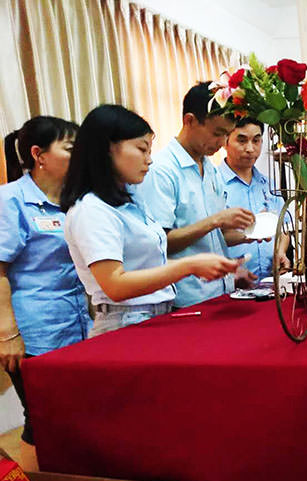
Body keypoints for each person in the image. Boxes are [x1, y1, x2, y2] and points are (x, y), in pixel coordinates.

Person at [61, 104, 240, 336]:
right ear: (107, 149)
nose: (149, 160)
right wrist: (189, 266)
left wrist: (202, 264)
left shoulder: (131, 200)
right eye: (141, 149)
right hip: (125, 321)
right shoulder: (91, 209)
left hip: (155, 314)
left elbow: (149, 263)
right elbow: (115, 285)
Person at [0, 116, 92, 471]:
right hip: (33, 332)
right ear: (39, 155)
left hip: (75, 325)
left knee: (71, 415)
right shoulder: (11, 201)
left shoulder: (74, 202)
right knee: (40, 417)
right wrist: (8, 334)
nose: (80, 155)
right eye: (70, 148)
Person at [135, 82, 257, 307]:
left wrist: (250, 234)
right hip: (184, 300)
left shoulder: (209, 168)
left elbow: (214, 237)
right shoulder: (162, 170)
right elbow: (160, 244)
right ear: (189, 120)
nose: (222, 143)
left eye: (226, 134)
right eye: (217, 134)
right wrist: (216, 220)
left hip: (219, 293)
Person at [221, 117, 289, 279]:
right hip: (230, 283)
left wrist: (280, 252)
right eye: (242, 140)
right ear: (224, 141)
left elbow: (284, 227)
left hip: (271, 282)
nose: (250, 149)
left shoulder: (269, 185)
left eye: (256, 141)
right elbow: (209, 237)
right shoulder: (214, 183)